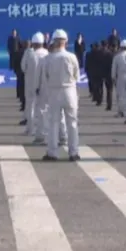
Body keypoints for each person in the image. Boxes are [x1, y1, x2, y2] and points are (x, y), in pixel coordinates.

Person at [40, 29, 80, 161]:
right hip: (70, 91)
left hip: (54, 92)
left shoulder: (48, 58)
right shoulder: (72, 57)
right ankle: (73, 153)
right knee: (72, 123)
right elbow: (76, 76)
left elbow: (45, 77)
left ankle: (52, 153)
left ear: (54, 42)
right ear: (66, 42)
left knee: (53, 123)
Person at [19, 32, 48, 143]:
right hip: (45, 85)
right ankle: (43, 131)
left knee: (30, 106)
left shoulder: (30, 54)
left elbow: (23, 67)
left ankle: (30, 129)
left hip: (30, 83)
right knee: (43, 109)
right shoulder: (47, 54)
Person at [112, 40, 126, 120]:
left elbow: (114, 69)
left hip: (121, 77)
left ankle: (121, 111)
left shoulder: (117, 57)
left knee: (120, 95)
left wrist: (113, 77)